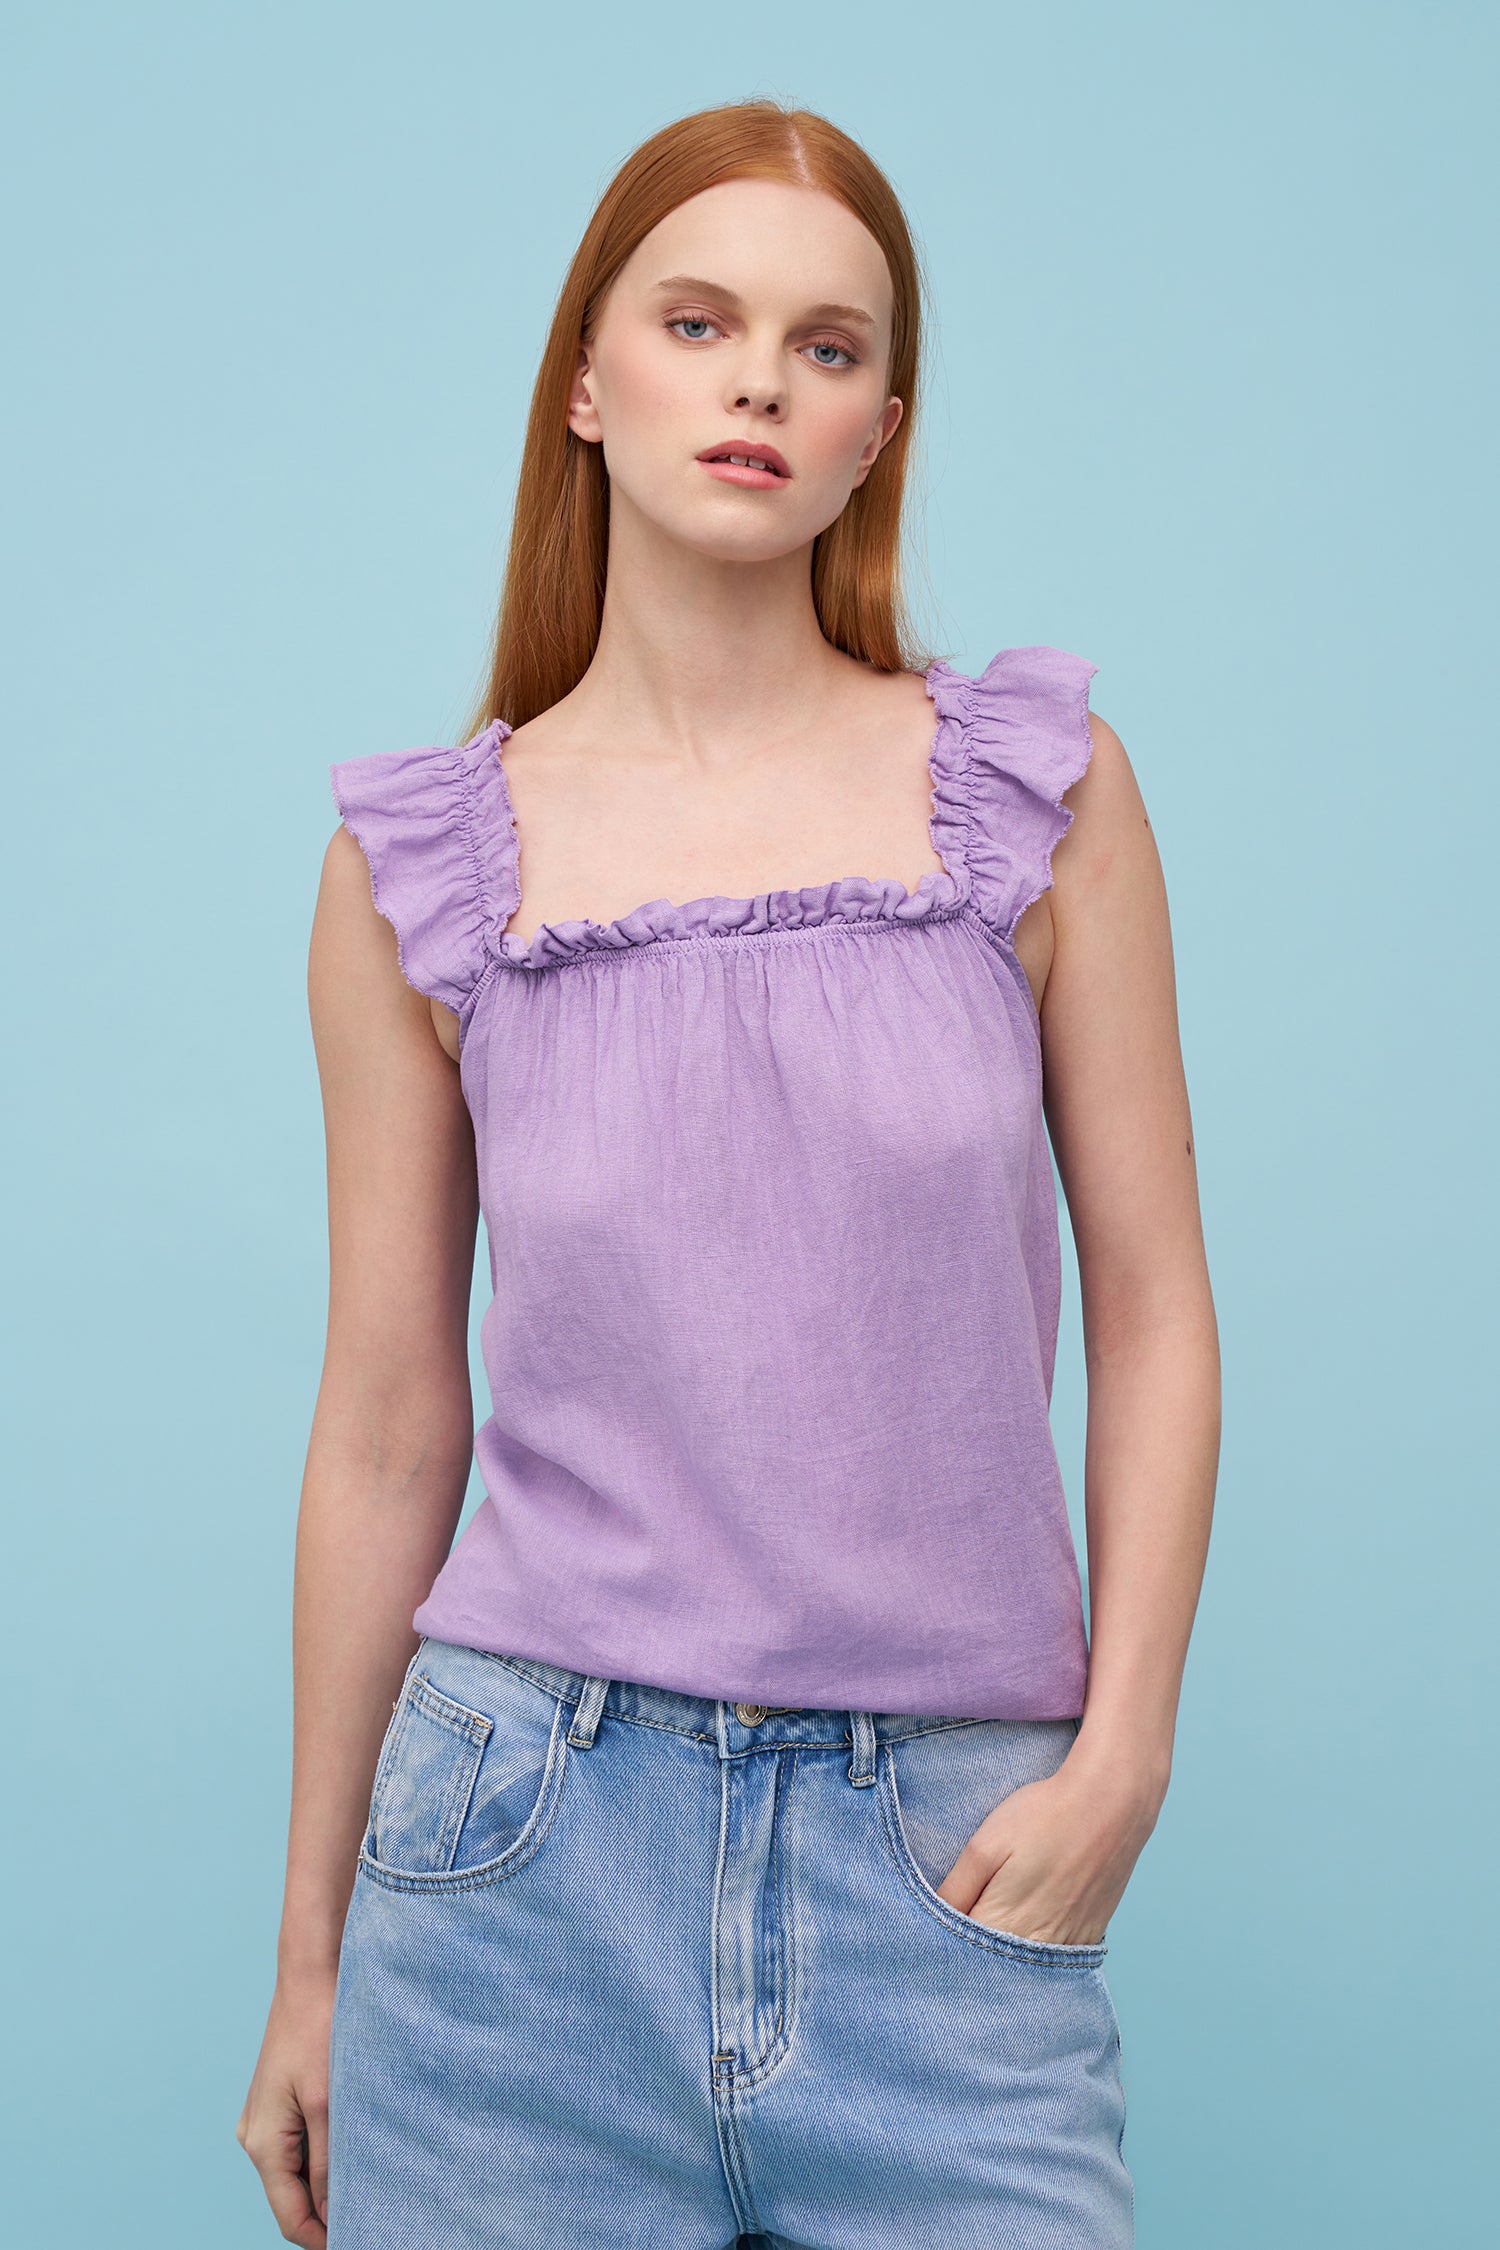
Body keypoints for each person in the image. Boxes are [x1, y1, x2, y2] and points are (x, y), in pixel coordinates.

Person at [237, 96, 1220, 2250]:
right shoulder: (424, 866)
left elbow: (1155, 1313)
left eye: (827, 346)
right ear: (589, 383)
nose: (762, 381)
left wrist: (1123, 1761)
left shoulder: (1038, 794)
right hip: (512, 1878)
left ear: (879, 434)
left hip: (947, 1865)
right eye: (698, 323)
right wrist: (310, 1962)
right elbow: (389, 1423)